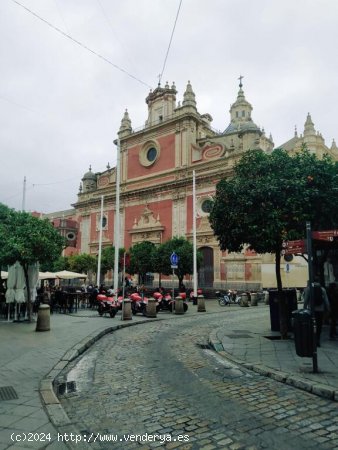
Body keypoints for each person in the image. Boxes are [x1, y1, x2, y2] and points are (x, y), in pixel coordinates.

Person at [303, 279, 330, 346]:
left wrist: (304, 309)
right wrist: (328, 309)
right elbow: (326, 300)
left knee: (312, 325)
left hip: (312, 311)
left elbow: (306, 300)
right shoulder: (322, 289)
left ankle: (313, 340)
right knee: (319, 326)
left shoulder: (309, 289)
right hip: (320, 311)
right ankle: (318, 340)